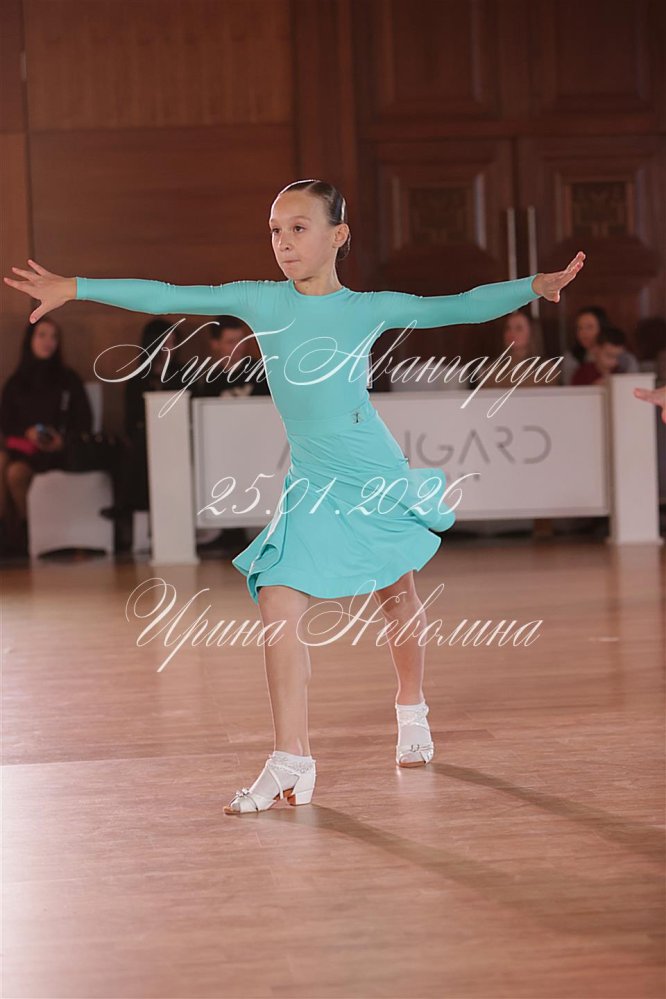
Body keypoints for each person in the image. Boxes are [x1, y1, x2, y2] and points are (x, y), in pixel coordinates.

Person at [3, 178, 585, 814]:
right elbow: (169, 294)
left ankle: (411, 708)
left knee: (396, 592)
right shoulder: (260, 299)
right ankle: (291, 758)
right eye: (275, 231)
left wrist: (534, 286)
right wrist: (76, 287)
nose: (283, 242)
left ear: (338, 236)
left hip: (370, 469)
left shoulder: (366, 308)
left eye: (298, 229)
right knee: (277, 598)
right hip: (311, 477)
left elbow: (459, 306)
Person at [0, 317, 92, 556]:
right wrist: (27, 432)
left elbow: (84, 421)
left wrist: (61, 439)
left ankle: (28, 532)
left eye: (54, 336)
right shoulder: (16, 382)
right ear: (30, 340)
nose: (48, 342)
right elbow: (7, 423)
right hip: (24, 450)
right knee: (3, 463)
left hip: (57, 452)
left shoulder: (67, 379)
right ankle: (12, 533)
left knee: (14, 472)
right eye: (42, 335)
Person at [562, 305, 639, 385]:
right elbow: (570, 389)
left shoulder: (626, 360)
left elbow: (633, 385)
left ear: (602, 328)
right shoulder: (571, 358)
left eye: (589, 327)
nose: (583, 333)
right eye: (580, 328)